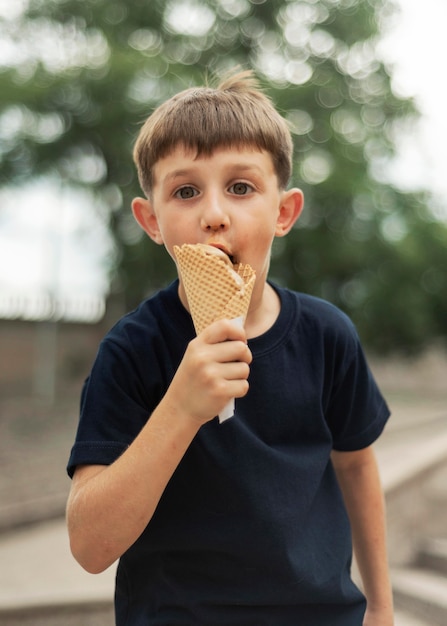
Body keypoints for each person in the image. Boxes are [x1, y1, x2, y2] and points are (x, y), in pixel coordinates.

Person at [66, 69, 394, 626]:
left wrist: (382, 610)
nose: (214, 213)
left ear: (283, 212)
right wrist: (181, 408)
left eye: (240, 187)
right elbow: (90, 547)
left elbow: (357, 467)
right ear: (152, 221)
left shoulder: (326, 335)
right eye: (185, 190)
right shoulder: (132, 350)